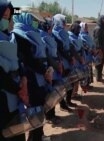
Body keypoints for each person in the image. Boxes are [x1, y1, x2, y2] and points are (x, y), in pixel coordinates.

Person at [12, 12, 53, 141]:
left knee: (39, 107)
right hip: (31, 79)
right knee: (35, 109)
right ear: (25, 20)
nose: (35, 22)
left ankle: (38, 135)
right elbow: (28, 59)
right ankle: (35, 137)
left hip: (39, 76)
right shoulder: (19, 35)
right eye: (32, 19)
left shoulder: (30, 32)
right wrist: (44, 71)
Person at [0, 1, 28, 141]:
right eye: (3, 17)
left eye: (8, 18)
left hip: (16, 95)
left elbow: (19, 61)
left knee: (17, 133)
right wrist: (18, 89)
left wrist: (23, 78)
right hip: (3, 99)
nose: (6, 21)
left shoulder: (11, 37)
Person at [38, 17, 63, 124]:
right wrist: (57, 66)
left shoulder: (49, 36)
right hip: (49, 70)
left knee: (53, 93)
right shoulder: (41, 37)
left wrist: (60, 62)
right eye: (50, 26)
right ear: (46, 26)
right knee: (48, 95)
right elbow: (48, 56)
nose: (52, 28)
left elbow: (55, 52)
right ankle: (49, 116)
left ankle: (52, 114)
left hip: (55, 68)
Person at [52, 14, 77, 111]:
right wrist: (69, 57)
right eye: (63, 21)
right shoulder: (55, 33)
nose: (65, 23)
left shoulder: (64, 32)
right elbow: (60, 49)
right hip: (62, 62)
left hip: (68, 62)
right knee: (61, 85)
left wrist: (72, 57)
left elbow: (69, 45)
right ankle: (63, 105)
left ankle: (68, 101)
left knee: (68, 83)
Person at [93, 15, 104, 82]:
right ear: (101, 20)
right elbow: (97, 40)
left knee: (101, 63)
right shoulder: (98, 28)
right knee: (98, 64)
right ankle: (98, 78)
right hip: (99, 50)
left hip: (102, 49)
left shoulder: (101, 28)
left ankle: (99, 77)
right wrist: (99, 50)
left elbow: (102, 38)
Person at [79, 22, 95, 88]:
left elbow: (92, 43)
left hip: (89, 56)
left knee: (89, 70)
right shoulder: (81, 36)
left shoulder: (87, 35)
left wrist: (93, 49)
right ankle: (84, 86)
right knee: (85, 71)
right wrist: (91, 51)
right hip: (85, 56)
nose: (86, 28)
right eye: (85, 27)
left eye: (87, 27)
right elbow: (85, 46)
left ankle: (88, 84)